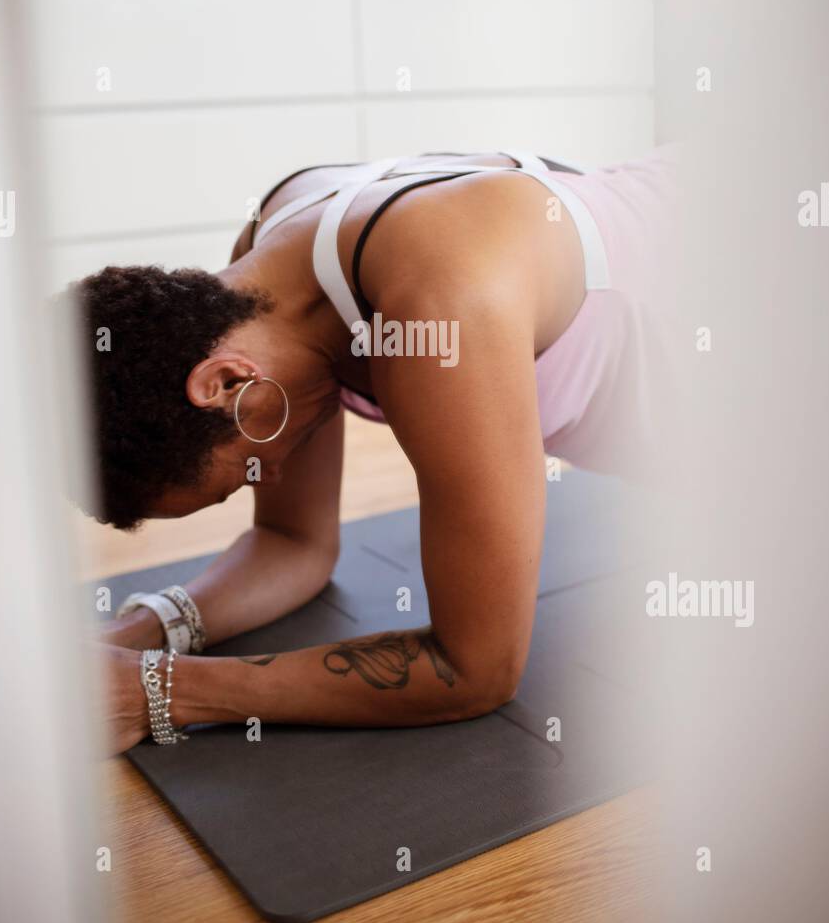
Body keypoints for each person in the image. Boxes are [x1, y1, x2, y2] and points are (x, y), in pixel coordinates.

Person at [70, 149, 678, 752]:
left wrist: (156, 690)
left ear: (226, 383)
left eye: (243, 475)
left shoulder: (442, 307)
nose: (272, 473)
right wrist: (137, 634)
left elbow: (477, 669)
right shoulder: (270, 264)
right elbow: (294, 544)